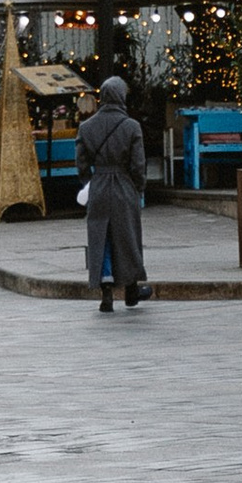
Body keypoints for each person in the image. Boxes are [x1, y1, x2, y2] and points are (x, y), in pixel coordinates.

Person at [77, 74, 148, 312]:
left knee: (101, 238)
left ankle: (105, 291)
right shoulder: (131, 127)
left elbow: (82, 164)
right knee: (127, 236)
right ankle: (131, 289)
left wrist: (91, 182)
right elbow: (138, 165)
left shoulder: (86, 128)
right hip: (124, 185)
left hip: (99, 185)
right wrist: (138, 187)